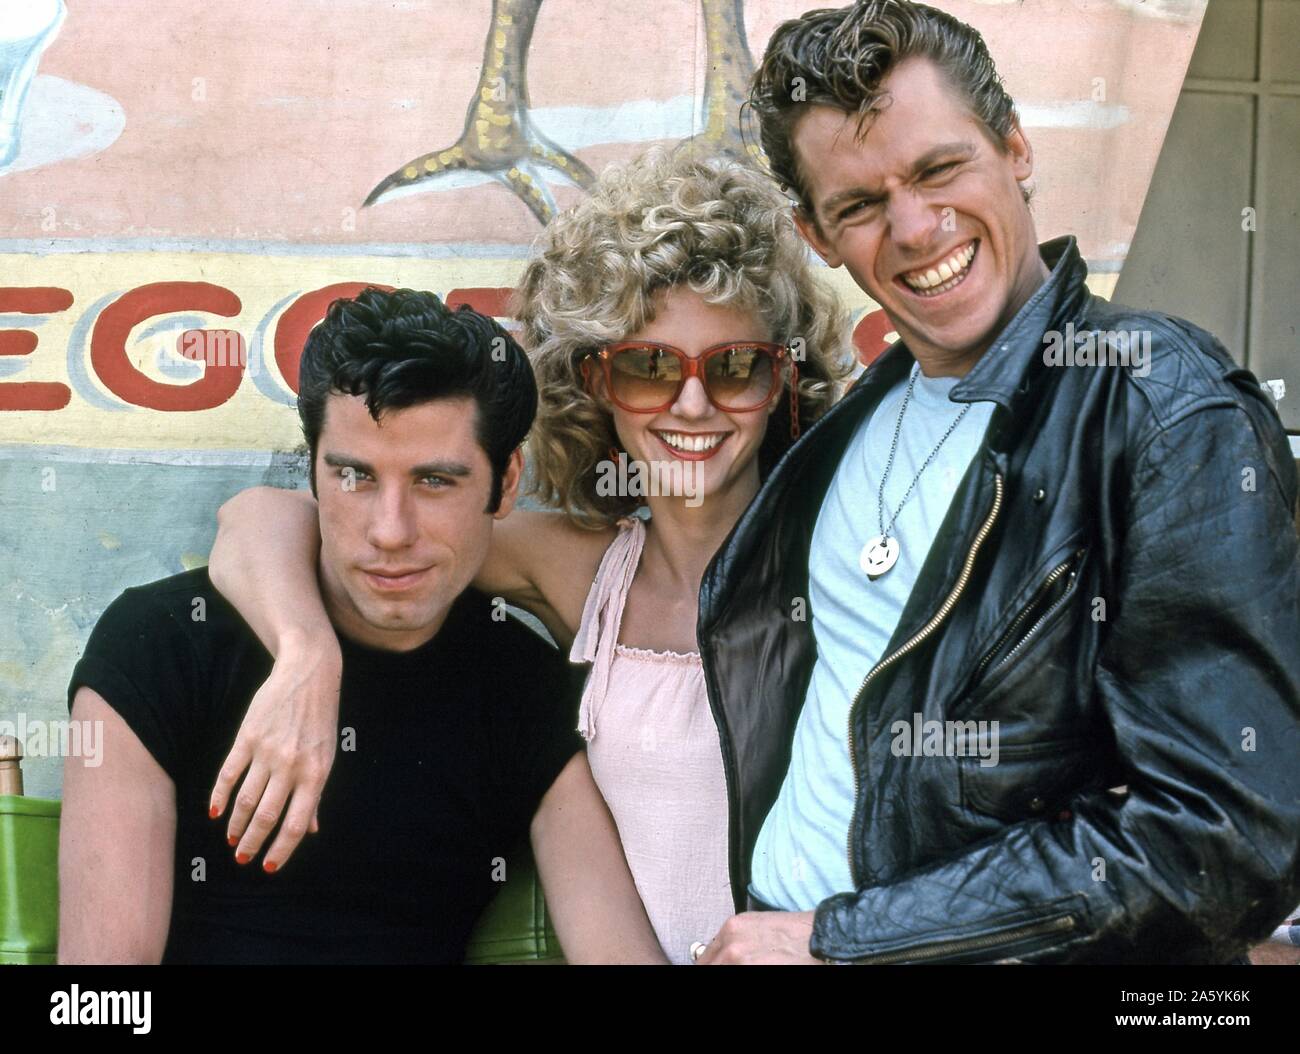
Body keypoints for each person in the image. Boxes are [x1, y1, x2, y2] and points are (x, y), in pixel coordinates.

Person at [690, 0, 1300, 964]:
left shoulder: (1165, 410)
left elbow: (1222, 841)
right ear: (816, 233)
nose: (916, 227)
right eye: (858, 205)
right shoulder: (856, 417)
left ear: (1013, 145)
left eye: (940, 169)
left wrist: (842, 939)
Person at [204, 149, 852, 964]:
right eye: (649, 367)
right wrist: (305, 657)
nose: (694, 403)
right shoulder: (583, 571)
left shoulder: (847, 558)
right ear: (596, 383)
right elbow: (259, 520)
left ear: (782, 377)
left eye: (733, 366)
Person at [59, 288, 665, 964]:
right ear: (313, 470)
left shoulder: (519, 687)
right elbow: (94, 998)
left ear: (507, 481)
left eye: (436, 481)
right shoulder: (162, 646)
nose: (390, 532)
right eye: (355, 477)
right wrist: (306, 655)